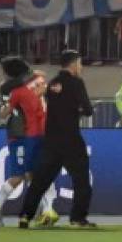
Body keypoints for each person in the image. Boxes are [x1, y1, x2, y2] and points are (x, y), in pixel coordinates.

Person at [19, 50, 96, 229]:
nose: (81, 67)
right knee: (82, 181)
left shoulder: (52, 83)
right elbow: (88, 109)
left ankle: (24, 216)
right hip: (71, 140)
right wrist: (78, 111)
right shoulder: (76, 82)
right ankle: (77, 219)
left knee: (40, 181)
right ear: (73, 64)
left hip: (52, 140)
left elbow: (55, 107)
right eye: (80, 63)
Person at [0, 68, 57, 228]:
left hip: (32, 135)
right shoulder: (12, 89)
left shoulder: (20, 87)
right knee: (20, 176)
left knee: (35, 175)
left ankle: (44, 211)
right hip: (19, 136)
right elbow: (6, 111)